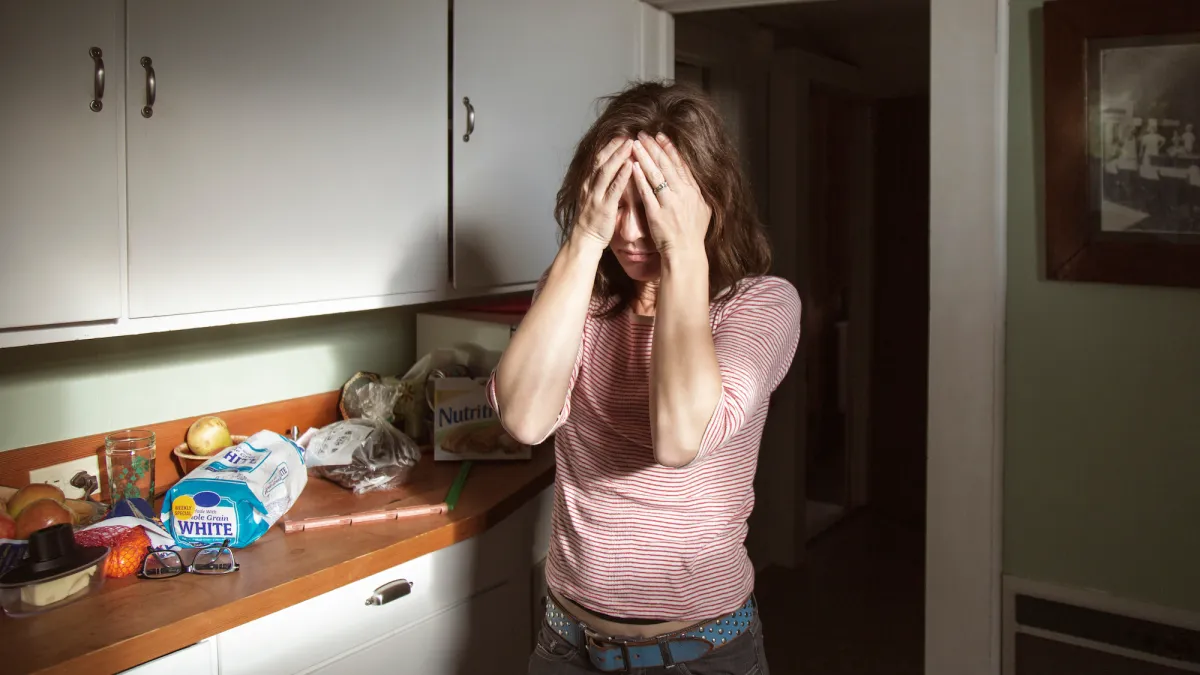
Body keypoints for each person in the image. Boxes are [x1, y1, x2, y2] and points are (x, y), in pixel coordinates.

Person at [488, 81, 801, 674]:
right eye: (616, 203)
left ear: (708, 199)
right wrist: (583, 240)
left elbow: (680, 438)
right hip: (566, 646)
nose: (631, 232)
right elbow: (525, 421)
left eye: (655, 202)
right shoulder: (575, 298)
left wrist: (684, 251)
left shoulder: (760, 305)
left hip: (702, 655)